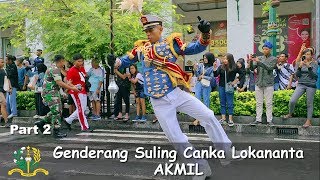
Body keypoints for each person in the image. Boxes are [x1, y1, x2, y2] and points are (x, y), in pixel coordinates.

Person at [112, 15, 239, 179]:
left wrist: (206, 33)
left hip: (176, 93)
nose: (148, 33)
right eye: (146, 31)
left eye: (151, 30)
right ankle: (200, 168)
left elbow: (195, 48)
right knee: (176, 137)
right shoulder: (141, 49)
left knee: (207, 115)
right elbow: (123, 62)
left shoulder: (171, 43)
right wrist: (113, 61)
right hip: (158, 102)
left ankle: (226, 151)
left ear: (160, 29)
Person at [35, 55, 79, 138]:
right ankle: (56, 131)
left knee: (56, 110)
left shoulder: (54, 68)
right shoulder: (55, 69)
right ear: (61, 61)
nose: (64, 63)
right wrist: (72, 88)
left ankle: (42, 123)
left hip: (52, 93)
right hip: (50, 93)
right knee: (57, 111)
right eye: (64, 61)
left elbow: (58, 83)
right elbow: (59, 82)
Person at [282, 47, 318, 128]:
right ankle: (290, 113)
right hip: (301, 84)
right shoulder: (299, 63)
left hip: (311, 85)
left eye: (308, 54)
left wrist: (308, 66)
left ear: (311, 56)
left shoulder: (314, 63)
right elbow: (297, 75)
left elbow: (314, 76)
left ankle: (308, 121)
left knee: (309, 103)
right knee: (292, 101)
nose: (306, 56)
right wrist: (299, 67)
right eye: (305, 54)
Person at [249, 41, 277, 126]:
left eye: (266, 49)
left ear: (270, 49)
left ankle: (269, 121)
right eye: (263, 49)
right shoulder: (259, 58)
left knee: (268, 103)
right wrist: (251, 61)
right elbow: (252, 68)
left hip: (268, 83)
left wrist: (259, 62)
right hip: (258, 83)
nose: (264, 50)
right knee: (259, 103)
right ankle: (258, 120)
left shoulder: (274, 59)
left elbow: (269, 68)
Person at [64, 53, 92, 132]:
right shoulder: (71, 70)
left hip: (83, 91)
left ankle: (68, 120)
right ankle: (84, 126)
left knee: (82, 109)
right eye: (79, 61)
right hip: (76, 92)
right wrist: (75, 87)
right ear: (74, 61)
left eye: (82, 61)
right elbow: (69, 83)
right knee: (80, 109)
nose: (81, 63)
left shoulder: (81, 68)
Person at [214, 53, 243, 127]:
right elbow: (215, 75)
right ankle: (223, 118)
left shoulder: (234, 67)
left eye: (226, 59)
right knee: (222, 102)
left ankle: (230, 119)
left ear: (230, 59)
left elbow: (242, 73)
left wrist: (235, 82)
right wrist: (214, 68)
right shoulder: (221, 67)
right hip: (221, 86)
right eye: (224, 59)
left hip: (229, 87)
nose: (224, 60)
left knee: (230, 103)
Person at [192, 53, 214, 126]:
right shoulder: (201, 65)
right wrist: (195, 69)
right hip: (199, 84)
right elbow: (197, 75)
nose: (205, 60)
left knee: (206, 100)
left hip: (206, 85)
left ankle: (205, 118)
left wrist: (203, 77)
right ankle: (197, 118)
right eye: (204, 58)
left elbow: (211, 78)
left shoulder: (212, 67)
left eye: (206, 58)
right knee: (197, 100)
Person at [5, 55, 18, 119]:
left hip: (12, 85)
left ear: (10, 60)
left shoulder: (13, 66)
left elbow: (9, 76)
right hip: (8, 85)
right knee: (7, 101)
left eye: (6, 60)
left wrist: (10, 87)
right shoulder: (9, 66)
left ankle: (14, 113)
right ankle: (9, 112)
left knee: (12, 100)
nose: (5, 61)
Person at [0, 58, 10, 128]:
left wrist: (10, 87)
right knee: (4, 104)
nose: (3, 63)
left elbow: (7, 79)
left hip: (4, 89)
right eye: (1, 62)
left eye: (3, 62)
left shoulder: (4, 70)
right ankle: (6, 121)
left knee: (2, 105)